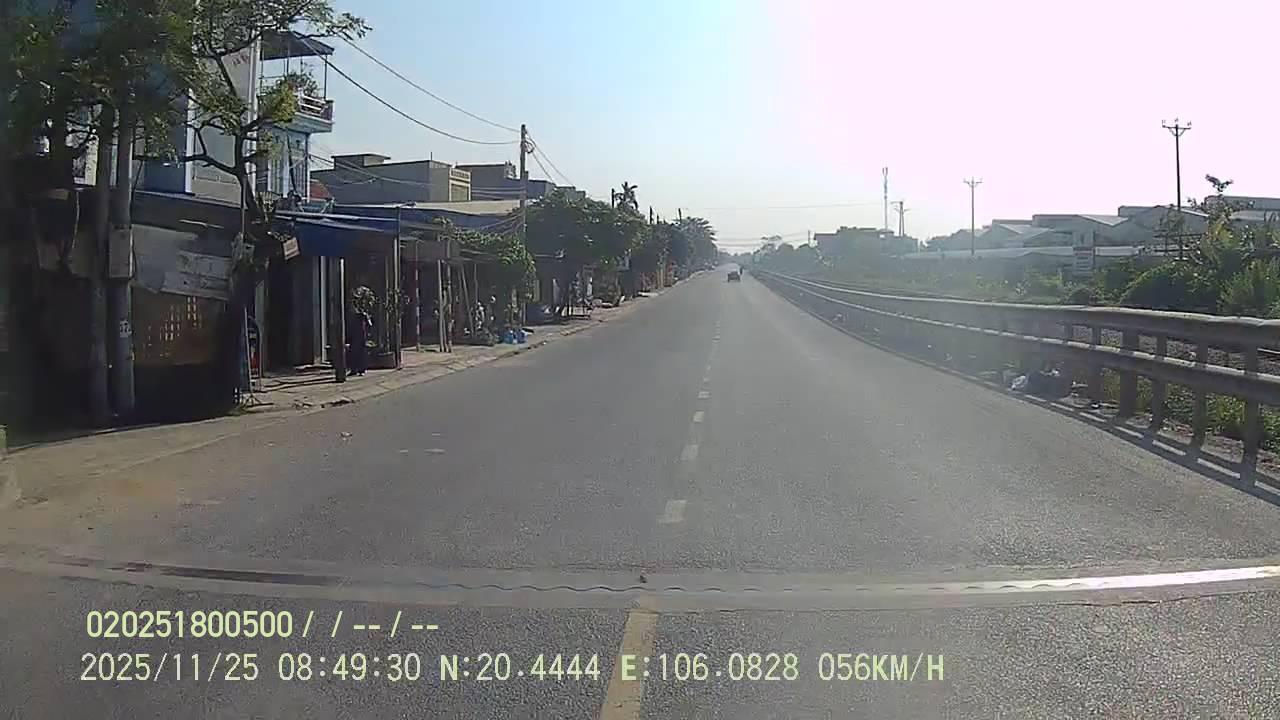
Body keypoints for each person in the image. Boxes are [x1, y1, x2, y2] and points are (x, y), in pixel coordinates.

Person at [346, 307, 371, 376]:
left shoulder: (362, 315)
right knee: (354, 353)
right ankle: (355, 370)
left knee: (359, 353)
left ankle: (360, 370)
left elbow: (369, 325)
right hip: (355, 337)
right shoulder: (355, 316)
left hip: (359, 337)